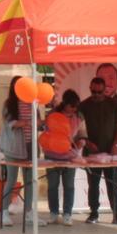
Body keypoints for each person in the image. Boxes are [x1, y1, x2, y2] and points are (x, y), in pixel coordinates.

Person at [78, 74, 117, 225]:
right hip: (91, 153)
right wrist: (87, 142)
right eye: (94, 92)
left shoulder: (113, 104)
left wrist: (116, 144)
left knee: (112, 182)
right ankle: (94, 212)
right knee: (93, 183)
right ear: (90, 89)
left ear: (105, 90)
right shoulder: (84, 105)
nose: (97, 95)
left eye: (100, 92)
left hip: (110, 152)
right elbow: (78, 129)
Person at [0, 77, 39, 228]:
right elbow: (10, 124)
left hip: (31, 146)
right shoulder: (9, 104)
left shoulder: (32, 103)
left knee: (30, 181)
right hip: (14, 147)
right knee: (11, 180)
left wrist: (40, 123)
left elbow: (38, 122)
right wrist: (27, 123)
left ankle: (28, 212)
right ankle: (4, 212)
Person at [43, 89, 84, 226]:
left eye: (76, 106)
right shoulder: (53, 115)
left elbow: (83, 135)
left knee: (69, 186)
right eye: (72, 106)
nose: (74, 109)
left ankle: (67, 214)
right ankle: (53, 213)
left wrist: (79, 144)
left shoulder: (79, 117)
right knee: (53, 186)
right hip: (52, 156)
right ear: (65, 104)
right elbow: (47, 134)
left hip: (69, 157)